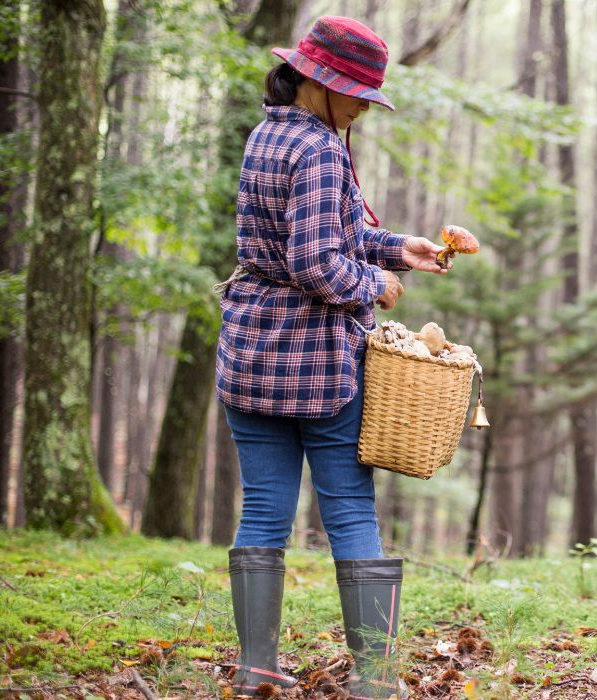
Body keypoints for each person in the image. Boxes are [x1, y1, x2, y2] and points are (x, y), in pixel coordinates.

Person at [214, 15, 443, 700]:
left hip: (252, 353)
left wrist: (396, 245)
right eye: (357, 96)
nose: (363, 111)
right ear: (319, 81)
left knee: (262, 513)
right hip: (317, 363)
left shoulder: (268, 134)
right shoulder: (317, 149)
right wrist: (379, 283)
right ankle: (374, 680)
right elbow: (317, 262)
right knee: (348, 510)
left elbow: (318, 235)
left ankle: (256, 669)